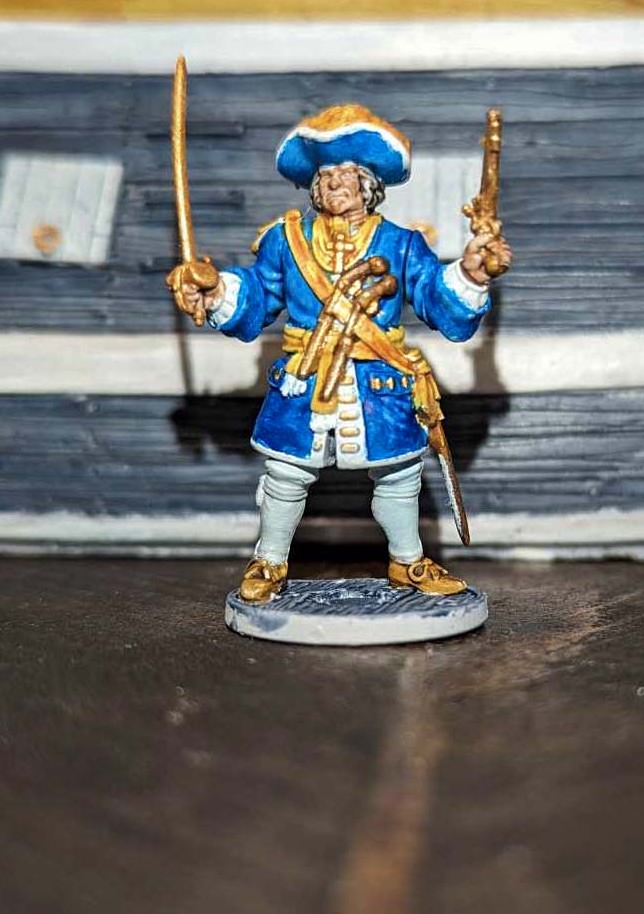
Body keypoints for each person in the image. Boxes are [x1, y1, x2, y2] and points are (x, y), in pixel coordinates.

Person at [168, 104, 511, 603]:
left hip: (379, 383)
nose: (334, 183)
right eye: (326, 175)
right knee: (285, 476)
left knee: (400, 476)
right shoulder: (285, 241)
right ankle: (269, 561)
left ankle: (408, 561)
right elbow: (258, 296)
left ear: (368, 183)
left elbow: (439, 301)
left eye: (346, 174)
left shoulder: (401, 244)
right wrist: (214, 289)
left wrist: (473, 274)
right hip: (304, 379)